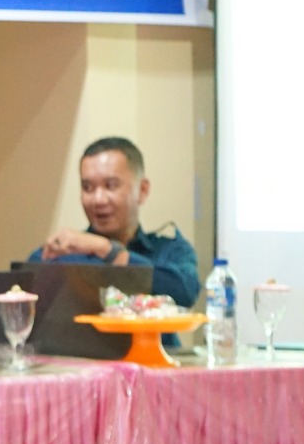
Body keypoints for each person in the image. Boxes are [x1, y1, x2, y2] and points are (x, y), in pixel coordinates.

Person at [29, 136, 201, 344]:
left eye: (110, 186)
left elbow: (184, 293)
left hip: (155, 362)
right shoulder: (62, 255)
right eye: (88, 188)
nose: (98, 199)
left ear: (142, 190)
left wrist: (109, 251)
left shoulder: (168, 250)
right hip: (81, 363)